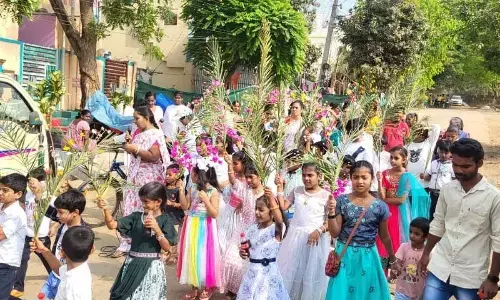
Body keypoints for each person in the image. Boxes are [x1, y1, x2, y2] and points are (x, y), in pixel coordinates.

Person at [418, 138, 500, 300]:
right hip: (440, 267)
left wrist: (493, 278)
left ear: (480, 163)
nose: (459, 170)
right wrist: (426, 253)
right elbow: (438, 224)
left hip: (471, 276)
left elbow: (498, 240)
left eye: (466, 166)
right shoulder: (447, 190)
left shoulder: (494, 197)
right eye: (455, 165)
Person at [326, 161, 395, 300]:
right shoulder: (341, 201)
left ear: (372, 179)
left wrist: (392, 258)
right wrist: (331, 212)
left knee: (366, 293)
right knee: (342, 293)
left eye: (364, 177)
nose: (360, 181)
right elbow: (334, 233)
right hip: (345, 256)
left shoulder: (380, 206)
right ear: (351, 178)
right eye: (356, 177)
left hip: (368, 257)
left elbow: (385, 236)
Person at [98, 182, 177, 300]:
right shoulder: (135, 217)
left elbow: (167, 248)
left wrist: (157, 229)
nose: (143, 205)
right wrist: (106, 210)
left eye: (146, 201)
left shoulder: (165, 221)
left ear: (158, 202)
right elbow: (112, 225)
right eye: (142, 201)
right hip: (132, 264)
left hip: (151, 267)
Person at [118, 106, 171, 256]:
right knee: (135, 207)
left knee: (146, 206)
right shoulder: (140, 133)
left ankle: (149, 239)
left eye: (137, 118)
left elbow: (153, 156)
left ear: (147, 118)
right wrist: (130, 146)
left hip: (149, 177)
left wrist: (135, 149)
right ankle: (132, 238)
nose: (135, 122)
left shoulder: (155, 134)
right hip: (137, 176)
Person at [276, 163, 330, 300]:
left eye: (310, 175)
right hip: (294, 238)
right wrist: (279, 188)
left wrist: (319, 231)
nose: (306, 178)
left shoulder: (326, 196)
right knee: (292, 270)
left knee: (310, 272)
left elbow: (331, 221)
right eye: (304, 175)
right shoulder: (297, 190)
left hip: (314, 240)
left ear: (319, 176)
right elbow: (283, 206)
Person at [177, 158, 221, 299]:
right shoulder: (193, 188)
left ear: (198, 174)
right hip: (191, 224)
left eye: (192, 173)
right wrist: (181, 191)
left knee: (204, 255)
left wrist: (207, 201)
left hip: (205, 226)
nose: (191, 175)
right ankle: (194, 287)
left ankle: (208, 286)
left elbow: (214, 213)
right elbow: (185, 206)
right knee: (192, 255)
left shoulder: (212, 191)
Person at [11, 168, 55, 299]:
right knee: (22, 260)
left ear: (42, 182)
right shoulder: (27, 195)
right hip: (27, 235)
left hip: (42, 237)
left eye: (32, 181)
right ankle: (19, 287)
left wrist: (54, 227)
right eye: (29, 181)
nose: (30, 184)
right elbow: (23, 209)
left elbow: (57, 215)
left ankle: (57, 278)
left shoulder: (50, 197)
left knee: (48, 260)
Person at [236, 189, 288, 300]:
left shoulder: (275, 230)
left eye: (261, 210)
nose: (256, 212)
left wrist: (272, 202)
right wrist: (242, 253)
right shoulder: (251, 228)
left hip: (268, 274)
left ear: (272, 212)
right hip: (252, 273)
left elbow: (279, 221)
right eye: (256, 209)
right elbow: (247, 248)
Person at [220, 164, 263, 299]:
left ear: (260, 177)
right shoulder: (245, 189)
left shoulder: (266, 192)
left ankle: (243, 291)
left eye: (251, 177)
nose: (248, 180)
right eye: (247, 177)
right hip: (242, 229)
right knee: (230, 260)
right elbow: (233, 181)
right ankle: (232, 289)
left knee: (248, 264)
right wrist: (229, 165)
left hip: (257, 232)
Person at [39, 189, 87, 299]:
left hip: (65, 278)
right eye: (57, 211)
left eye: (60, 212)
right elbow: (45, 209)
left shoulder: (81, 234)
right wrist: (38, 192)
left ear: (75, 212)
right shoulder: (65, 220)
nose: (57, 215)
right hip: (54, 274)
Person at [31, 226, 94, 300]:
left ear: (61, 252)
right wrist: (44, 250)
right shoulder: (78, 268)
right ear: (92, 249)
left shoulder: (74, 289)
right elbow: (60, 270)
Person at [0, 173, 28, 300]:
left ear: (18, 194)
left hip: (7, 263)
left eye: (5, 190)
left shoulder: (17, 213)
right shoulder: (2, 207)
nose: (0, 193)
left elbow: (1, 234)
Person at [391, 217, 430, 300]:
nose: (412, 235)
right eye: (410, 232)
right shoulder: (404, 247)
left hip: (419, 294)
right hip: (401, 291)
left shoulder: (427, 254)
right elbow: (396, 264)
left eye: (417, 234)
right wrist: (394, 270)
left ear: (426, 236)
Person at [218, 151, 248, 255]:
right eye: (233, 163)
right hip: (230, 211)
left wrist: (229, 165)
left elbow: (232, 180)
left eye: (236, 163)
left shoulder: (248, 178)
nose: (234, 166)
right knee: (223, 239)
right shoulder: (235, 176)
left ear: (244, 164)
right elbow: (231, 181)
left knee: (236, 242)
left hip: (241, 215)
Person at [421, 140, 454, 221]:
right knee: (432, 211)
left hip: (444, 194)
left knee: (442, 213)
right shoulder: (434, 163)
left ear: (451, 153)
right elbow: (429, 177)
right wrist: (423, 176)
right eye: (441, 152)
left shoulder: (452, 165)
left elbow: (454, 179)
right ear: (438, 151)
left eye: (446, 153)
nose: (443, 155)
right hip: (433, 193)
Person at [163, 163, 186, 264]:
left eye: (170, 175)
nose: (167, 176)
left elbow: (183, 205)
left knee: (174, 237)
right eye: (166, 174)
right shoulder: (164, 188)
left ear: (177, 176)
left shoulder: (179, 190)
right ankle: (166, 254)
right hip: (166, 217)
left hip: (176, 218)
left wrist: (172, 203)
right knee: (166, 236)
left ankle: (174, 256)